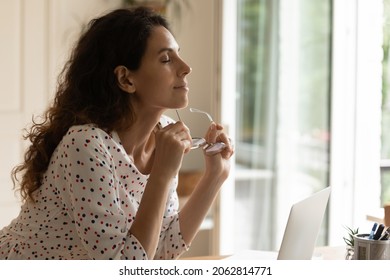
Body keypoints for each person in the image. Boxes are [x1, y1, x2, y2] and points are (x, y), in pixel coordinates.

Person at [0, 7, 233, 260]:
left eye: (179, 55)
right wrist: (162, 174)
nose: (186, 68)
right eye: (166, 59)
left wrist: (215, 177)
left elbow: (161, 251)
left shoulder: (163, 136)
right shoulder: (86, 144)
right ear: (126, 79)